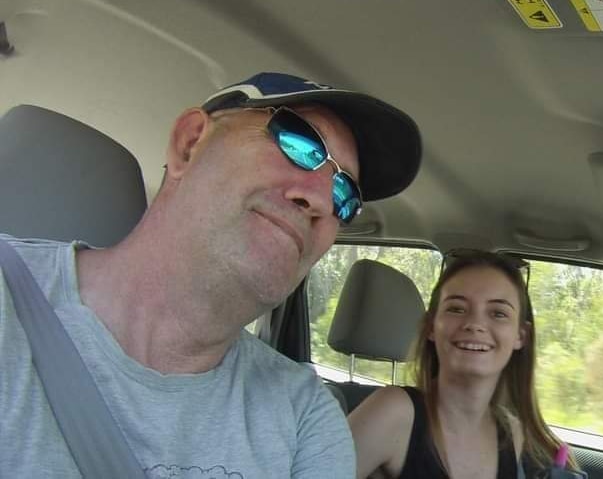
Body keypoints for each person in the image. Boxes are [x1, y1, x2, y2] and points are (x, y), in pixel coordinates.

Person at [0, 72, 421, 478]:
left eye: (344, 196)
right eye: (300, 144)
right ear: (189, 145)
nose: (320, 200)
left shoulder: (305, 415)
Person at [349, 250, 578, 478]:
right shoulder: (393, 412)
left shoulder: (513, 434)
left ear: (520, 336)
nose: (474, 324)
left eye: (498, 313)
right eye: (456, 309)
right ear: (431, 327)